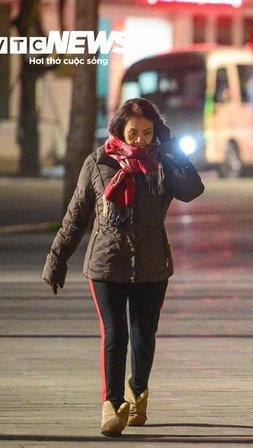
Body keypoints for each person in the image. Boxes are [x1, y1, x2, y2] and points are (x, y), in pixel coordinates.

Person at [42, 98, 205, 437]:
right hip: (107, 262)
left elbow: (193, 189)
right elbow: (77, 215)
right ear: (119, 129)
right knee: (116, 334)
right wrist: (57, 259)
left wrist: (174, 151)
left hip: (152, 265)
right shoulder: (98, 162)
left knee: (144, 336)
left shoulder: (163, 163)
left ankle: (138, 392)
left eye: (148, 132)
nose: (140, 140)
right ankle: (113, 404)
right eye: (133, 132)